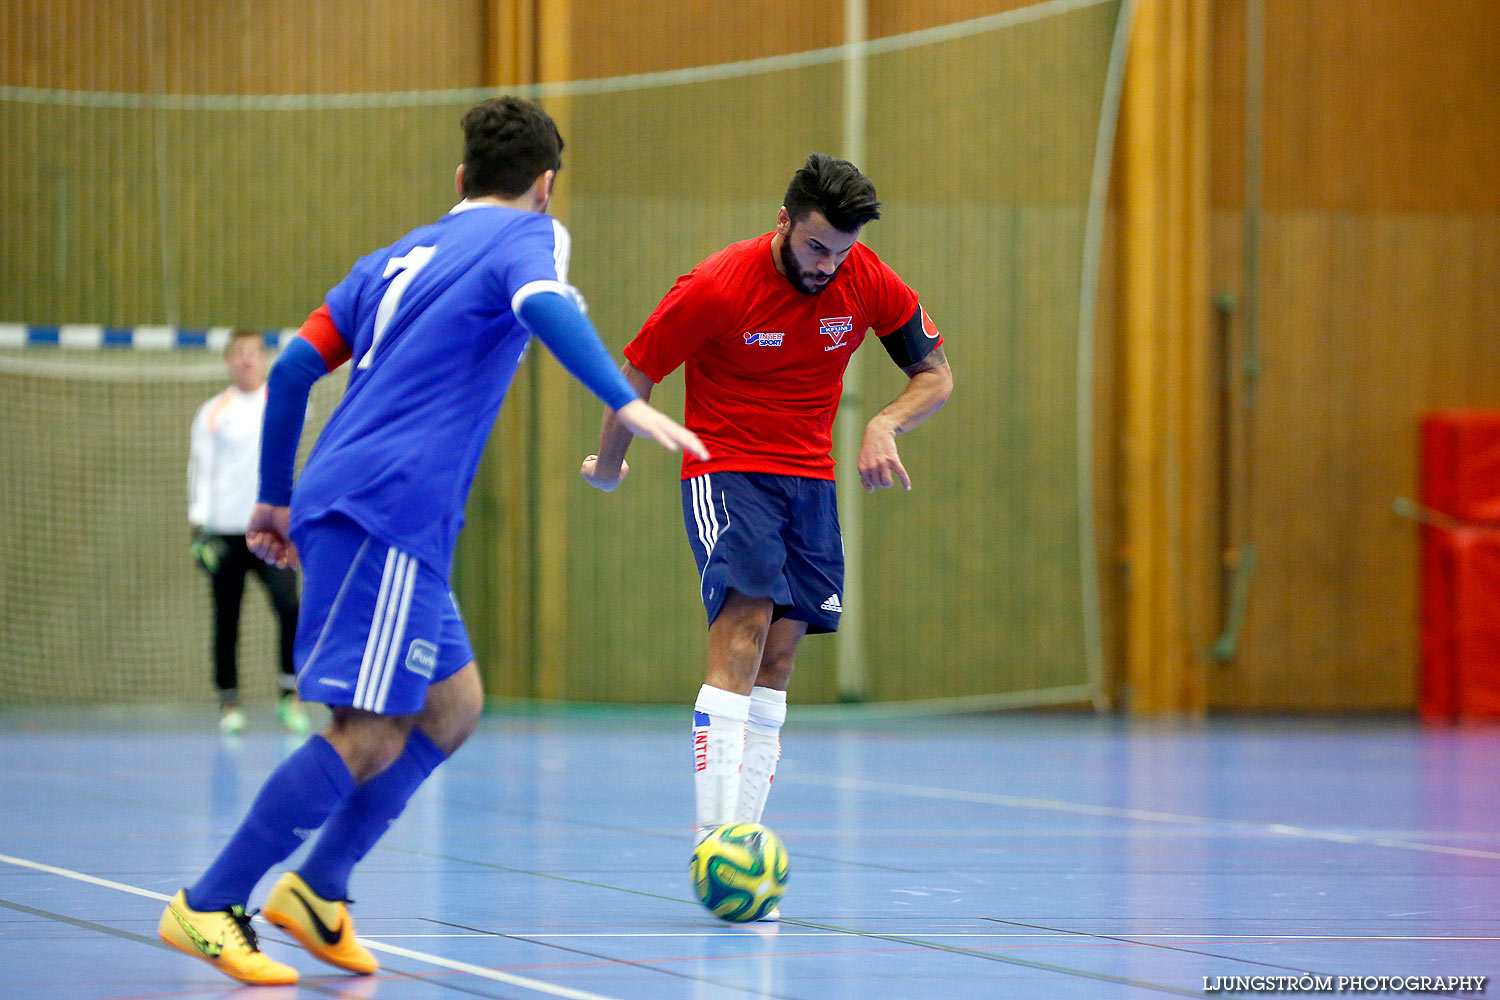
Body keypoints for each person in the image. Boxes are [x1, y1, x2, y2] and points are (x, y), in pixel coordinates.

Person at [158, 96, 706, 986]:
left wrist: (274, 500)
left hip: (367, 500)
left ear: (459, 179)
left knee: (451, 707)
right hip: (387, 506)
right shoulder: (534, 235)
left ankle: (318, 891)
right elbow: (541, 302)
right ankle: (210, 902)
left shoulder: (393, 258)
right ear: (545, 186)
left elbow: (297, 366)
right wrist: (625, 398)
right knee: (371, 729)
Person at [581, 153, 953, 880]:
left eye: (842, 252)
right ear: (783, 222)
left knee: (780, 658)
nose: (828, 266)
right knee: (745, 628)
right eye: (817, 247)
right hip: (727, 467)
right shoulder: (718, 284)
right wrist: (611, 462)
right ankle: (714, 840)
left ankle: (742, 844)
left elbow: (935, 376)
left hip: (809, 481)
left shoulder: (864, 278)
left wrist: (885, 424)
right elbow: (636, 374)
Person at [188, 329, 308, 735]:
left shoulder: (281, 403)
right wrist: (198, 526)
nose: (246, 361)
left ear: (263, 358)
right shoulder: (211, 413)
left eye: (253, 353)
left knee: (289, 607)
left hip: (271, 530)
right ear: (228, 360)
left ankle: (289, 696)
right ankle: (229, 702)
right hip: (225, 531)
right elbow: (200, 471)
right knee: (227, 617)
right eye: (238, 354)